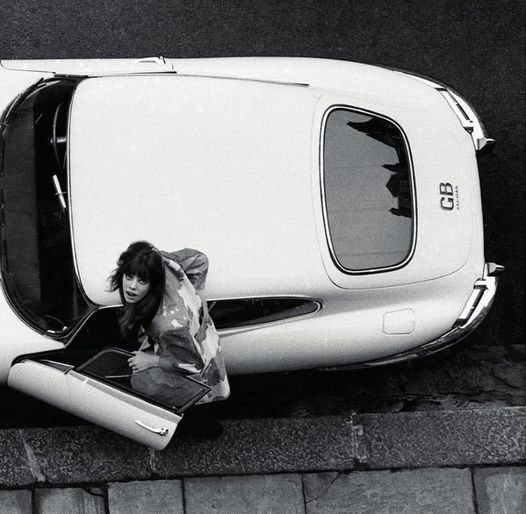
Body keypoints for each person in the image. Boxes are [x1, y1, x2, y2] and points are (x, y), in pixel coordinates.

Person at [108, 241, 230, 436]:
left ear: (153, 283)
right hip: (196, 332)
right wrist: (188, 292)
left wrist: (151, 360)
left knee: (194, 397)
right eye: (129, 276)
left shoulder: (166, 325)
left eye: (142, 281)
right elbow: (200, 260)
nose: (131, 287)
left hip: (189, 347)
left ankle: (202, 429)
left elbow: (193, 365)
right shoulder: (165, 264)